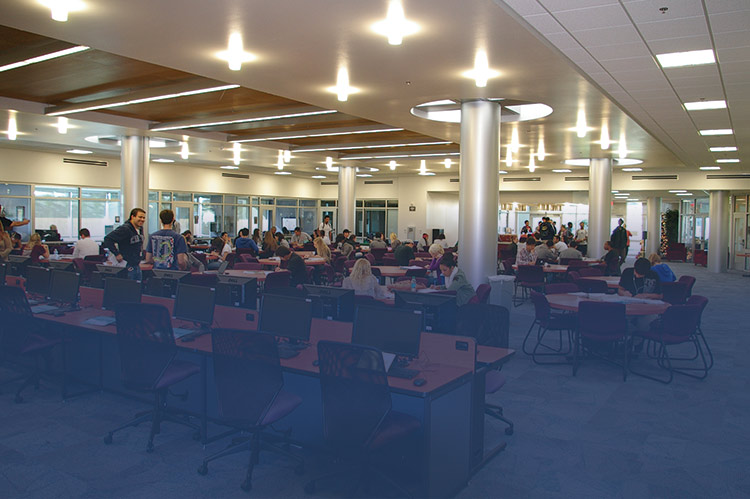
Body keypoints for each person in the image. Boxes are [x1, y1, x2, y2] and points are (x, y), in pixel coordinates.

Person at [103, 208, 145, 280]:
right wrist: (117, 253)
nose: (142, 219)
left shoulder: (140, 229)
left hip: (137, 265)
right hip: (127, 266)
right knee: (129, 288)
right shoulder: (125, 229)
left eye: (143, 218)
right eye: (140, 217)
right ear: (133, 217)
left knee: (137, 288)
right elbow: (108, 239)